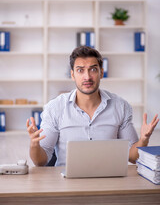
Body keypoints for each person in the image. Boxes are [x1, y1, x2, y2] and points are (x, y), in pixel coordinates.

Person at [26, 46, 159, 166]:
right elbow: (40, 161)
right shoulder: (55, 108)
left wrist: (143, 139)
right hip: (66, 184)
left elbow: (132, 158)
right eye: (80, 70)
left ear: (101, 72)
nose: (87, 77)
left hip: (109, 181)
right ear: (72, 75)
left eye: (93, 69)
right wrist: (34, 145)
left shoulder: (120, 106)